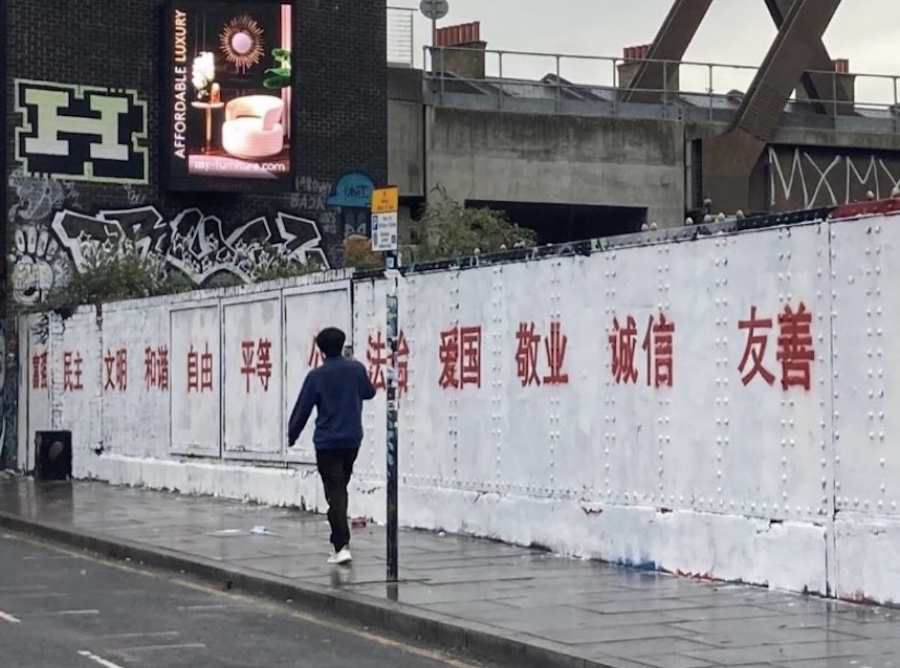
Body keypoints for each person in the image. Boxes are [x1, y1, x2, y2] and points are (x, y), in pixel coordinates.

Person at [288, 327, 376, 565]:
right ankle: (339, 539)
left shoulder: (316, 376)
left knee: (335, 491)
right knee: (340, 488)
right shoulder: (356, 368)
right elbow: (369, 393)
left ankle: (341, 544)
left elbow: (302, 409)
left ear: (321, 350)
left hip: (327, 442)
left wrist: (291, 435)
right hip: (352, 440)